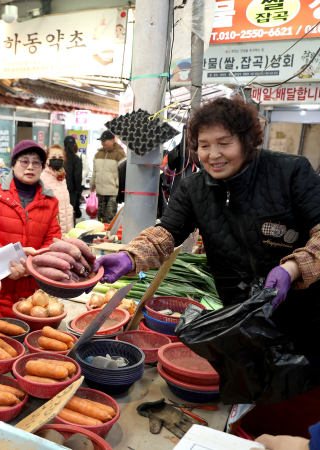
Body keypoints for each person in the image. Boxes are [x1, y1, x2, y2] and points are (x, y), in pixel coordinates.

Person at [94, 97, 320, 435]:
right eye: (203, 145)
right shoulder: (193, 188)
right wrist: (129, 256)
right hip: (241, 324)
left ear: (247, 140)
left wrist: (293, 269)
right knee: (250, 414)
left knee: (297, 418)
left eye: (224, 143)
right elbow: (165, 234)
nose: (213, 154)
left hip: (305, 321)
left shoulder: (290, 172)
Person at [0, 140, 62, 317]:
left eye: (36, 162)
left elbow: (53, 241)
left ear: (42, 168)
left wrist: (31, 265)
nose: (30, 166)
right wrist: (9, 263)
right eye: (24, 161)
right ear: (13, 164)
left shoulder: (50, 202)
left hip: (32, 295)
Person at [90, 130, 126, 223]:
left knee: (110, 216)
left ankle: (109, 236)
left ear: (112, 140)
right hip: (100, 190)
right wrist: (92, 182)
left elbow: (123, 172)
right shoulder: (98, 154)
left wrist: (117, 184)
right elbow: (95, 171)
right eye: (101, 141)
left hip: (113, 191)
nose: (102, 143)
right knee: (100, 217)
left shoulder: (120, 154)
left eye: (104, 140)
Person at [41, 144, 74, 235]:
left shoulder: (62, 176)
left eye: (60, 157)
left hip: (67, 225)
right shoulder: (42, 177)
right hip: (52, 227)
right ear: (47, 159)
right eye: (53, 157)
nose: (57, 160)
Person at [63, 136, 83, 220]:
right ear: (74, 145)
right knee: (70, 212)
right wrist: (78, 191)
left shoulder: (61, 158)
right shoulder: (76, 159)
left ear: (64, 144)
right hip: (72, 191)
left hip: (60, 189)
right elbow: (77, 177)